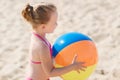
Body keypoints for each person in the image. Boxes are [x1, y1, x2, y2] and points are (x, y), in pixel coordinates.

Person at [21, 2, 86, 80]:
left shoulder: (37, 36)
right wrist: (73, 67)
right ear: (43, 27)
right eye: (54, 22)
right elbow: (50, 72)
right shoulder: (41, 46)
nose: (56, 24)